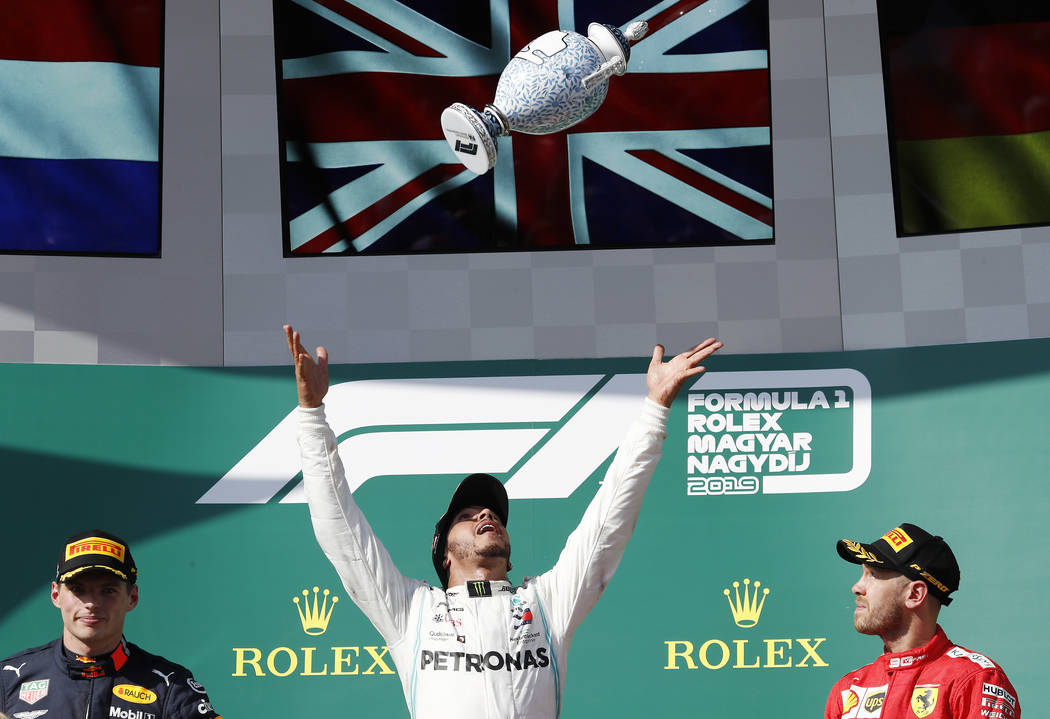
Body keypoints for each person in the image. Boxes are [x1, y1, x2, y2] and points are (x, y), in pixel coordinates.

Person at [285, 324, 722, 719]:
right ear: (442, 552)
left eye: (490, 511)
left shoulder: (546, 602)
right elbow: (340, 528)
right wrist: (311, 414)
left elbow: (608, 521)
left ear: (510, 560)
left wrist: (654, 411)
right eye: (467, 515)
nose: (486, 514)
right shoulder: (411, 611)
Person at [0, 530, 221, 719]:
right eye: (78, 589)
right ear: (56, 595)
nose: (92, 603)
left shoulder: (171, 685)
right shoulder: (8, 677)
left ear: (132, 598)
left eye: (108, 591)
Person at [826, 523, 1019, 719]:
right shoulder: (849, 688)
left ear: (915, 594)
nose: (857, 587)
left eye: (873, 575)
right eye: (862, 575)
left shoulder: (975, 679)